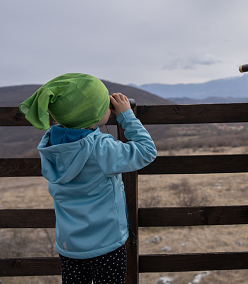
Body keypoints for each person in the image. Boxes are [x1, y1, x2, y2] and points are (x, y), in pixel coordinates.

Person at [19, 73, 157, 284]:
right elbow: (147, 151)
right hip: (107, 244)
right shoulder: (102, 149)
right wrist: (126, 116)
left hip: (69, 245)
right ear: (91, 115)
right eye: (103, 105)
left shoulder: (51, 145)